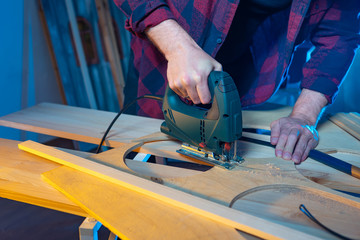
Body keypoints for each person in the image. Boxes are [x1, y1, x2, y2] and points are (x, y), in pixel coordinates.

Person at [114, 0, 360, 164]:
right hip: (162, 57)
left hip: (246, 68)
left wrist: (303, 117)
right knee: (138, 157)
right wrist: (177, 47)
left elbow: (337, 37)